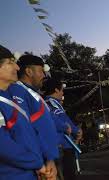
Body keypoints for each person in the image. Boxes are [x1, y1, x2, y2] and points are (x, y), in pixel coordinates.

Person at [8, 54, 59, 179]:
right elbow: (23, 130)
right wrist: (38, 161)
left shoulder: (30, 92)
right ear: (29, 71)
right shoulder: (17, 90)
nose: (44, 75)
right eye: (41, 71)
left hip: (46, 159)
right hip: (39, 164)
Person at [0, 45, 47, 180]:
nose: (17, 67)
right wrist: (36, 163)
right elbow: (3, 146)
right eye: (10, 62)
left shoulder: (11, 98)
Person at [43, 78, 82, 180]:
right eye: (61, 90)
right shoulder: (51, 103)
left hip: (60, 146)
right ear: (56, 90)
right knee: (67, 174)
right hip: (63, 145)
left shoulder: (47, 102)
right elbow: (63, 120)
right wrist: (76, 130)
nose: (62, 93)